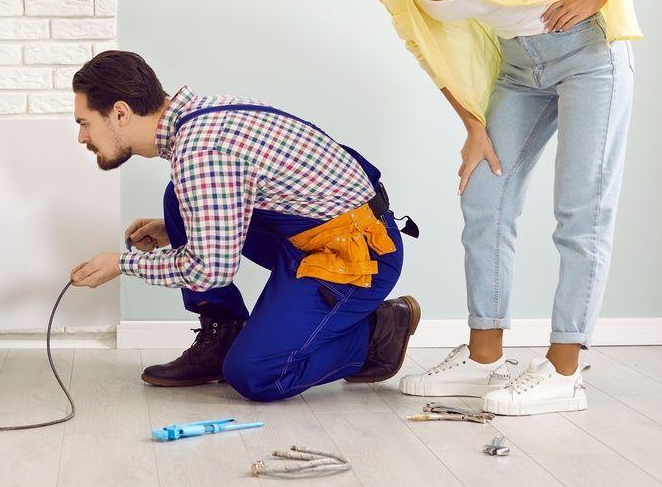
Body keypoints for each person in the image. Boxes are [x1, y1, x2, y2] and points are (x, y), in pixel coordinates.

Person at [318, 0, 640, 415]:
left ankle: (565, 370)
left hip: (589, 54)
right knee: (486, 199)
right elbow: (423, 45)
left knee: (580, 213)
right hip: (519, 70)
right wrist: (472, 125)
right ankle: (484, 357)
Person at [67, 50, 420, 402]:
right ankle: (223, 338)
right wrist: (179, 224)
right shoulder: (200, 117)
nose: (82, 137)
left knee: (256, 374)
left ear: (120, 113)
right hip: (315, 232)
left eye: (84, 123)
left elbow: (209, 271)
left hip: (358, 256)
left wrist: (121, 264)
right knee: (179, 199)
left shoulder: (202, 151)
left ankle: (378, 333)